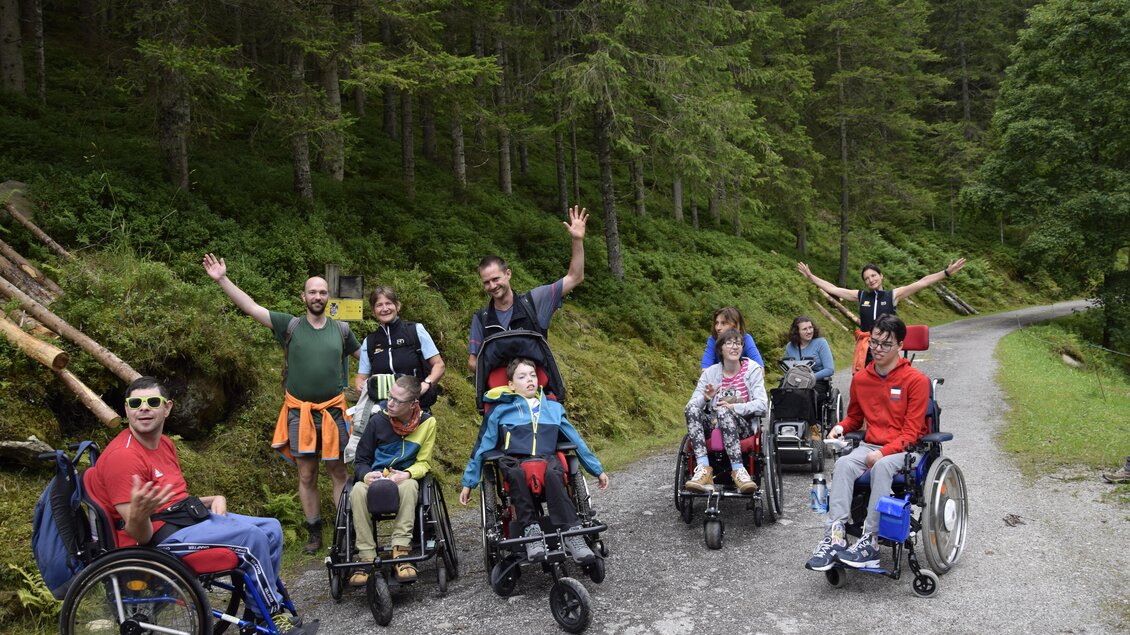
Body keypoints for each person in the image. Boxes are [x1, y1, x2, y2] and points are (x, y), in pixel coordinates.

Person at [85, 377, 306, 634]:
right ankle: (272, 616)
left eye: (152, 402)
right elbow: (139, 535)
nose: (143, 408)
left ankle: (257, 614)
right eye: (136, 403)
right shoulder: (123, 457)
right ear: (126, 410)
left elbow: (173, 501)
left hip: (182, 522)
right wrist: (141, 514)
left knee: (271, 527)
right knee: (252, 538)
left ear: (167, 408)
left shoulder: (165, 444)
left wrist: (213, 500)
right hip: (157, 540)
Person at [203, 253, 361, 555]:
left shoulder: (341, 330)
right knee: (306, 475)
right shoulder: (289, 326)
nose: (318, 296)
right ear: (303, 296)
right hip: (299, 413)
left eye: (322, 292)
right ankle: (314, 532)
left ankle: (347, 530)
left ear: (328, 297)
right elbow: (250, 307)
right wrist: (222, 279)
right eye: (312, 292)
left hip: (333, 413)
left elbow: (366, 357)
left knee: (339, 473)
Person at [805, 314, 931, 571]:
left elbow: (912, 431)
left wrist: (884, 452)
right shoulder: (862, 379)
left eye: (886, 344)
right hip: (871, 446)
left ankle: (870, 541)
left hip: (906, 449)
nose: (878, 349)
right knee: (843, 465)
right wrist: (840, 427)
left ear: (900, 345)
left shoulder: (916, 381)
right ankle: (835, 536)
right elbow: (855, 417)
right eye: (874, 342)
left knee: (882, 466)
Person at [459, 358, 610, 563]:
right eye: (522, 377)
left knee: (555, 474)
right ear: (510, 384)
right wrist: (469, 483)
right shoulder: (500, 411)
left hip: (546, 457)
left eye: (533, 375)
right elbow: (482, 446)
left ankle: (572, 536)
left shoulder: (553, 409)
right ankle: (531, 533)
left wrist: (597, 470)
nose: (529, 379)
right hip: (514, 459)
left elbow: (577, 441)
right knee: (515, 474)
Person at [467, 206, 588, 373]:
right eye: (486, 282)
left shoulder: (535, 301)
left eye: (496, 279)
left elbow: (575, 277)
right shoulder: (481, 319)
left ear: (508, 274)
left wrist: (577, 240)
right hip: (500, 394)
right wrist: (505, 368)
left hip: (537, 392)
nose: (492, 286)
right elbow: (472, 363)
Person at [796, 258, 966, 373]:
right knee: (865, 382)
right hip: (867, 347)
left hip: (887, 347)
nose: (870, 280)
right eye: (867, 278)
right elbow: (833, 289)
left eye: (873, 275)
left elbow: (922, 282)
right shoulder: (861, 296)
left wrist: (946, 273)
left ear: (881, 276)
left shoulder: (893, 295)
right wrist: (811, 277)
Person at [347, 376, 436, 586]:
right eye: (389, 397)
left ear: (413, 404)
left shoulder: (427, 423)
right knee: (357, 491)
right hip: (376, 478)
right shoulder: (377, 420)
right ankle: (366, 556)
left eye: (397, 400)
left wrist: (407, 474)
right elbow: (360, 460)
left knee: (410, 486)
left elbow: (424, 462)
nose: (391, 403)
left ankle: (401, 552)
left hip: (404, 477)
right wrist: (366, 475)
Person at [683, 329, 769, 494]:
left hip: (742, 426)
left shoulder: (752, 369)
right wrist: (706, 399)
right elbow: (691, 405)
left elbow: (762, 404)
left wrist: (734, 408)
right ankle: (703, 469)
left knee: (723, 411)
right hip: (714, 425)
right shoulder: (710, 373)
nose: (734, 346)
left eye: (738, 343)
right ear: (720, 349)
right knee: (692, 408)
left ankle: (739, 471)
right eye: (729, 343)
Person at [354, 285, 445, 409]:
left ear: (397, 306)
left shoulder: (415, 331)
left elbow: (439, 365)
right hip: (383, 409)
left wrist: (426, 384)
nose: (385, 308)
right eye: (379, 305)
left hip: (416, 406)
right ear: (373, 311)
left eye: (389, 303)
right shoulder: (370, 341)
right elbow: (361, 377)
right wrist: (360, 385)